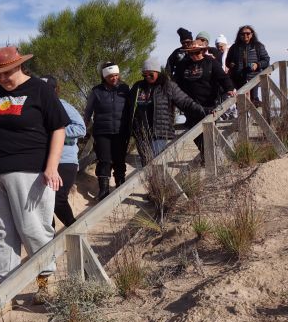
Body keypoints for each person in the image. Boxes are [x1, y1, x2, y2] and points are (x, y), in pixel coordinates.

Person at [0, 46, 69, 298]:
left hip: (29, 169)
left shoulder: (40, 89)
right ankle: (5, 290)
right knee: (4, 231)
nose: (3, 79)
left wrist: (52, 166)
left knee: (33, 228)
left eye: (7, 73)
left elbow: (58, 128)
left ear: (19, 66)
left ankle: (46, 285)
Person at [128, 58, 207, 165]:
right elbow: (129, 107)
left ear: (157, 72)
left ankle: (159, 181)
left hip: (160, 132)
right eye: (144, 75)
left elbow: (185, 102)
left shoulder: (168, 86)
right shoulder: (138, 87)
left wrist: (204, 111)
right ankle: (153, 182)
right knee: (146, 163)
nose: (147, 77)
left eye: (150, 74)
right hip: (141, 133)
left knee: (155, 162)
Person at [174, 40, 236, 153]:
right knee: (195, 134)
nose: (193, 56)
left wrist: (230, 89)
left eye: (196, 52)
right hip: (190, 105)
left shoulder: (211, 62)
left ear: (203, 51)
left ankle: (210, 158)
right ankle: (205, 155)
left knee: (209, 133)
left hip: (209, 104)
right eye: (190, 53)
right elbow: (176, 83)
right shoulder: (182, 65)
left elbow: (223, 77)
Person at [40, 75, 85, 227]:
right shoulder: (36, 108)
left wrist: (56, 132)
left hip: (65, 160)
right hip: (43, 162)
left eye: (48, 90)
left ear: (55, 90)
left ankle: (75, 231)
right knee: (43, 204)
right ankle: (49, 242)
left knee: (58, 199)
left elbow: (81, 129)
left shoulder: (63, 106)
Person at [83, 62, 131, 200]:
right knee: (104, 160)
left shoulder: (125, 88)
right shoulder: (96, 91)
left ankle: (120, 186)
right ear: (104, 77)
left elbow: (131, 108)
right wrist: (84, 127)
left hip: (121, 131)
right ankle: (104, 190)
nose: (114, 78)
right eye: (110, 76)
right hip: (102, 132)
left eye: (116, 75)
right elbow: (88, 111)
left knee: (119, 160)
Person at [226, 25, 270, 106]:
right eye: (242, 34)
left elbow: (266, 60)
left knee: (254, 101)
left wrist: (257, 64)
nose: (245, 35)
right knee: (240, 103)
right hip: (238, 79)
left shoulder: (258, 46)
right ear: (239, 35)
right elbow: (227, 61)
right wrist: (231, 64)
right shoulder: (234, 47)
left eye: (248, 33)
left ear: (252, 34)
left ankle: (256, 118)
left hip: (254, 78)